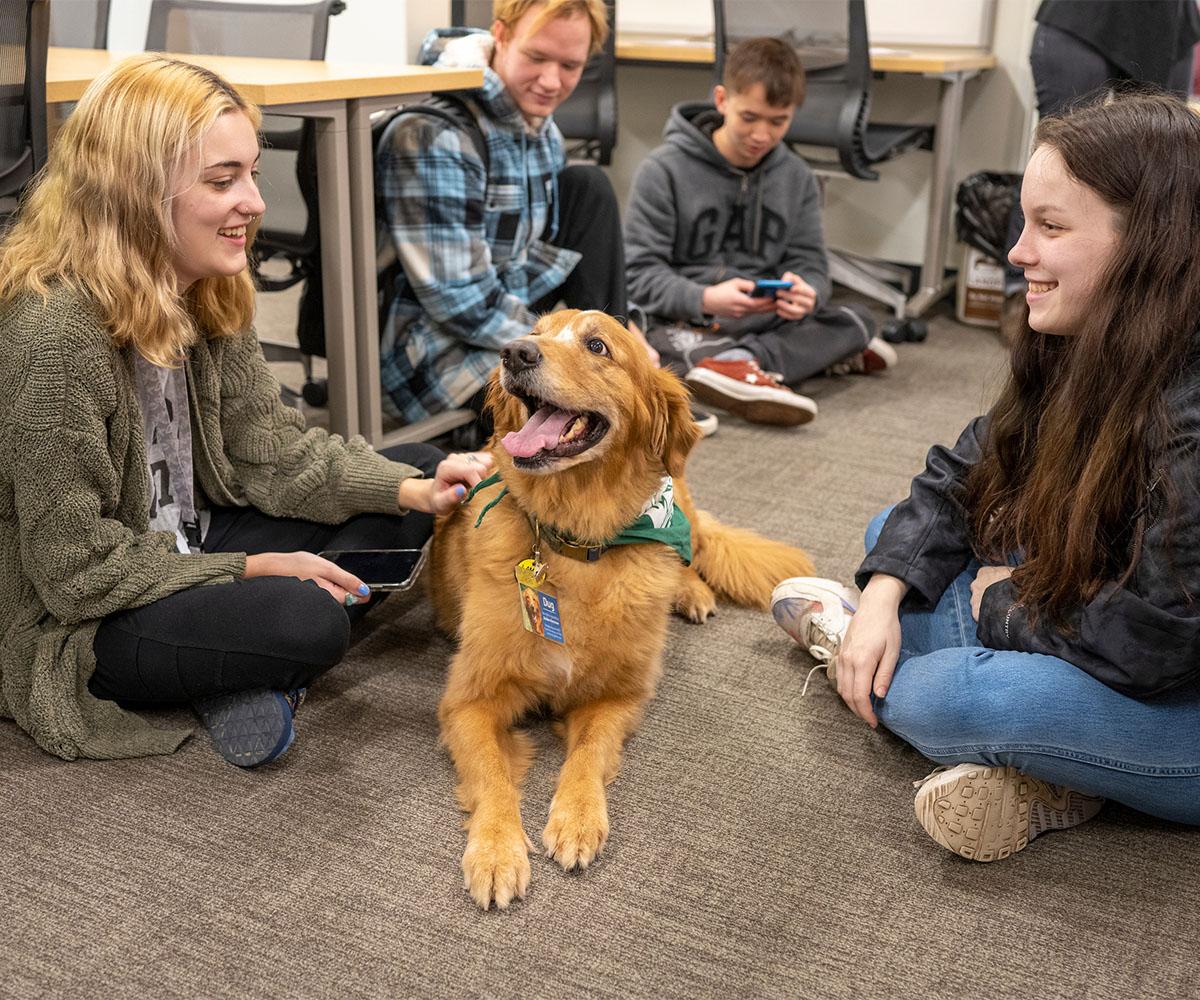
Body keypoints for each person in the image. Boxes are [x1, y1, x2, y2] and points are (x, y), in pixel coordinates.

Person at [0, 55, 494, 769]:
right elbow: (74, 571)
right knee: (304, 618)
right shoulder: (56, 336)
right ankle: (245, 662)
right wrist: (253, 569)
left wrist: (408, 490)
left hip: (189, 536)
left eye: (252, 173)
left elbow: (270, 450)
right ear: (137, 193)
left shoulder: (204, 282)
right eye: (222, 180)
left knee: (416, 479)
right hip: (83, 613)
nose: (256, 202)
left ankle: (231, 671)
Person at [772, 91, 1200, 859]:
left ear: (1149, 242)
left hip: (1177, 686)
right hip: (1104, 613)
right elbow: (962, 471)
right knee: (893, 549)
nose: (1016, 252)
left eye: (1052, 226)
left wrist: (1004, 604)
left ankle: (857, 650)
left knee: (954, 696)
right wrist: (887, 595)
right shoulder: (1092, 332)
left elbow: (1154, 644)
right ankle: (1052, 772)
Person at [376, 0, 667, 433]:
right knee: (579, 440)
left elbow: (529, 255)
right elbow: (461, 302)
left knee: (589, 187)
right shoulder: (436, 134)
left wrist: (610, 345)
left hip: (510, 315)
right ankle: (611, 379)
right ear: (502, 34)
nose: (552, 81)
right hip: (436, 347)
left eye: (570, 65)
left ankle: (624, 366)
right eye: (536, 57)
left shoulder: (539, 125)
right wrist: (567, 352)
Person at [622, 36, 897, 429]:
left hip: (761, 318)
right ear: (721, 100)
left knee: (858, 318)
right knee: (643, 347)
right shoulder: (662, 171)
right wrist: (705, 298)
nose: (762, 135)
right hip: (684, 318)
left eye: (778, 121)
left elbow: (812, 264)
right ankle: (772, 361)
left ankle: (738, 364)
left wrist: (808, 293)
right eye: (749, 117)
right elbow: (638, 275)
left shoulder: (796, 177)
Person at [1001, 0, 1200, 338]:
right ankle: (1020, 297)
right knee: (1056, 165)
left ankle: (1145, 308)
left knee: (1168, 169)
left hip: (1168, 23)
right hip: (1082, 17)